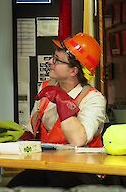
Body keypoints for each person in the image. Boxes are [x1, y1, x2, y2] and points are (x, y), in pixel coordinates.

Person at [8, 32, 108, 188]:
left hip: (82, 172)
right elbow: (31, 130)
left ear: (74, 71)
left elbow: (78, 140)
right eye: (52, 57)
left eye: (57, 60)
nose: (50, 62)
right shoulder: (46, 87)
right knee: (14, 187)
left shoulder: (93, 99)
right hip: (47, 167)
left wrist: (62, 100)